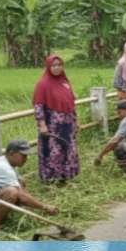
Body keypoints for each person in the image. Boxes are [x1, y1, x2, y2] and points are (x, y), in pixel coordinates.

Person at [33, 55, 79, 183]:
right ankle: (52, 178)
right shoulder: (43, 84)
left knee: (68, 148)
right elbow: (38, 106)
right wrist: (42, 124)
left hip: (68, 123)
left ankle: (66, 176)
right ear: (49, 67)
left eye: (59, 65)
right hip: (52, 124)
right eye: (54, 65)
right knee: (54, 151)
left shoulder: (65, 82)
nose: (57, 67)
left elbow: (71, 104)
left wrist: (76, 121)